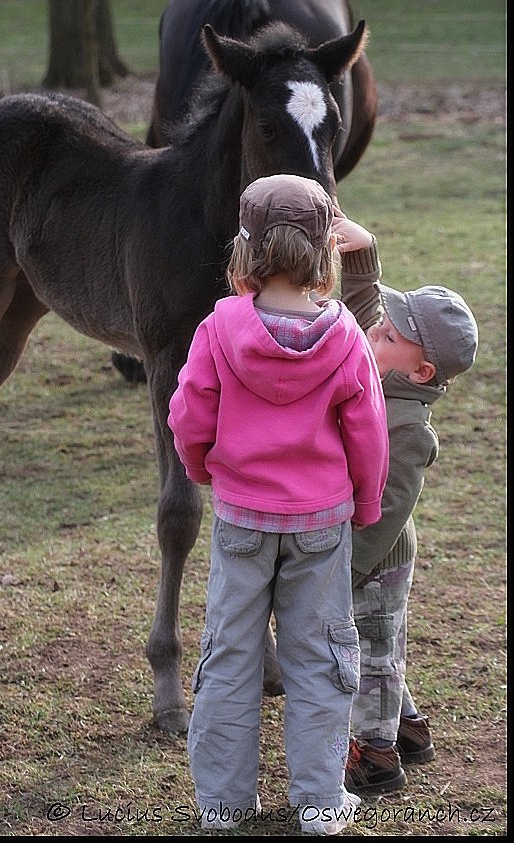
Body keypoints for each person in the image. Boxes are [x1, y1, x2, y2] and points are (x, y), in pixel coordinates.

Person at [168, 174, 389, 834]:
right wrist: (366, 502)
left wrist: (202, 467)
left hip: (240, 516)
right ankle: (319, 803)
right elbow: (368, 429)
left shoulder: (218, 326)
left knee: (228, 655)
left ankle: (224, 804)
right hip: (321, 522)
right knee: (319, 657)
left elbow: (187, 415)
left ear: (247, 250)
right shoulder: (346, 334)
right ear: (323, 255)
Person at [332, 207, 478, 799]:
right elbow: (368, 306)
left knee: (375, 653)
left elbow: (389, 508)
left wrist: (349, 568)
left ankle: (378, 756)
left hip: (379, 554)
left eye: (390, 336)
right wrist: (361, 252)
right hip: (361, 544)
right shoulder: (381, 364)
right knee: (381, 646)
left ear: (421, 371)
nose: (372, 332)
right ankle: (410, 730)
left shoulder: (410, 426)